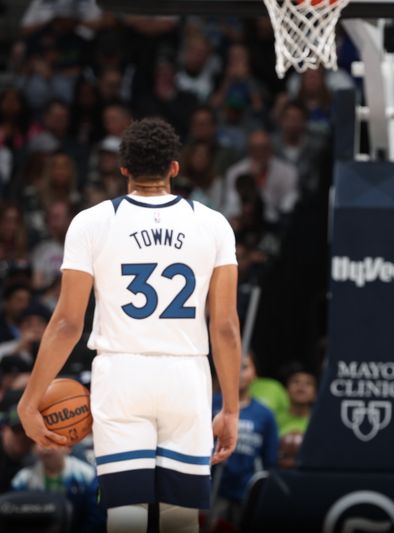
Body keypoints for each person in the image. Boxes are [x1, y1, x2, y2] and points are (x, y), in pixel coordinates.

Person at [16, 117, 242, 533]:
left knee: (126, 516)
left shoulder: (91, 223)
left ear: (123, 170)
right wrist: (230, 407)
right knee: (180, 518)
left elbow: (67, 323)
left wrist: (30, 401)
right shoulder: (213, 225)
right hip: (186, 375)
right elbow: (224, 326)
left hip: (120, 374)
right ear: (175, 167)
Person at [209, 355, 278, 531]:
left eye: (244, 367)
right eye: (233, 366)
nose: (238, 373)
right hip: (211, 488)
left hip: (244, 492)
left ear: (255, 373)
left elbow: (270, 460)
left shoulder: (265, 414)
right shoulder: (210, 404)